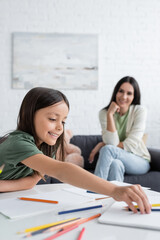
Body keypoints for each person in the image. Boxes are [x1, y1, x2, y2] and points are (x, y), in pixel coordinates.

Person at [0, 87, 151, 214]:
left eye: (63, 121)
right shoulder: (18, 143)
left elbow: (31, 182)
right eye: (53, 119)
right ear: (29, 115)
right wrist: (114, 190)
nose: (60, 127)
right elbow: (61, 170)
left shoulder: (46, 147)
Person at [91, 76, 150, 183]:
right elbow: (111, 142)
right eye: (121, 91)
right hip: (118, 158)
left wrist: (102, 145)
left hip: (139, 160)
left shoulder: (139, 111)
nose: (124, 96)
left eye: (129, 93)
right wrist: (110, 114)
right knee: (115, 164)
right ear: (115, 92)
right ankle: (117, 199)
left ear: (134, 96)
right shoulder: (104, 113)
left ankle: (94, 189)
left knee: (107, 149)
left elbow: (131, 144)